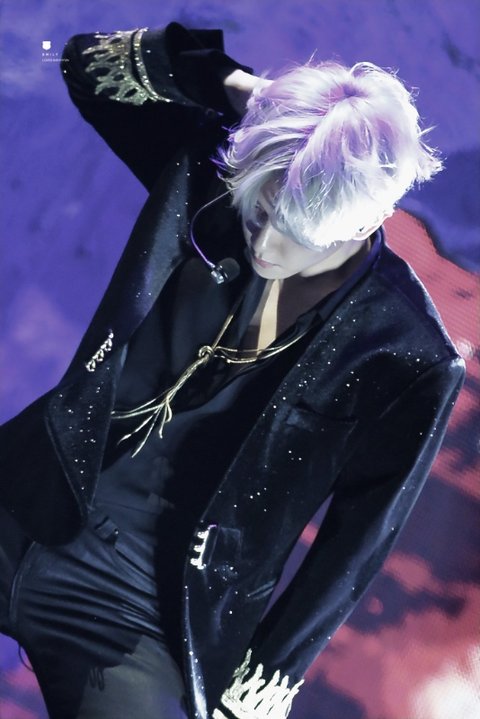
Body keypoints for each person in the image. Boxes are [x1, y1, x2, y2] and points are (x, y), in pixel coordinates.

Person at [0, 21, 465, 719]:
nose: (268, 245)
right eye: (262, 212)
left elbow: (361, 535)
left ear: (364, 221)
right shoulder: (210, 176)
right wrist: (238, 87)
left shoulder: (409, 351)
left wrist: (269, 675)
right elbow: (84, 64)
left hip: (142, 606)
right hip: (31, 489)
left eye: (299, 233)